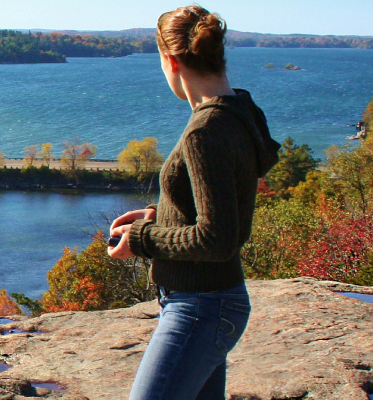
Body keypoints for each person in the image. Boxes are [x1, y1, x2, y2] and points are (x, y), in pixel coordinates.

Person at [106, 5, 280, 400]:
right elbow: (223, 202)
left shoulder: (204, 131)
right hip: (210, 302)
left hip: (200, 307)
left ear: (170, 61)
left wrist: (143, 238)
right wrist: (159, 214)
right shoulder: (239, 110)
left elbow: (217, 238)